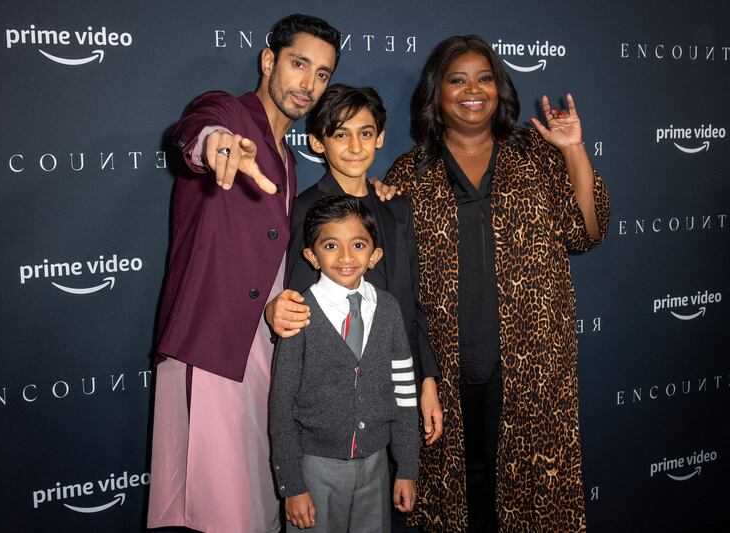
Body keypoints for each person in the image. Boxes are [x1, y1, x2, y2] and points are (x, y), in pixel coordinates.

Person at [385, 35, 610, 532]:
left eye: (485, 78)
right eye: (457, 79)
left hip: (532, 363)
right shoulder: (410, 172)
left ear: (500, 87)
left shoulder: (536, 154)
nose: (473, 90)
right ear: (435, 92)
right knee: (462, 494)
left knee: (531, 493)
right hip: (444, 367)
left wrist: (573, 150)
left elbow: (587, 232)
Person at [146, 14, 341, 533]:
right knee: (215, 515)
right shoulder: (229, 112)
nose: (309, 84)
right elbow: (197, 128)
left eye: (322, 74)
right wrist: (213, 143)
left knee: (254, 511)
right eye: (300, 64)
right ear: (268, 60)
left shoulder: (290, 157)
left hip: (262, 350)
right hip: (210, 345)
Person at [269, 195, 421, 532]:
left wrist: (407, 468)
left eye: (357, 244)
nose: (346, 257)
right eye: (331, 245)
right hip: (315, 469)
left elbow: (406, 394)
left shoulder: (389, 309)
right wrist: (292, 485)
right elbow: (281, 403)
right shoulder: (300, 313)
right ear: (312, 255)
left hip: (377, 467)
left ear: (374, 255)